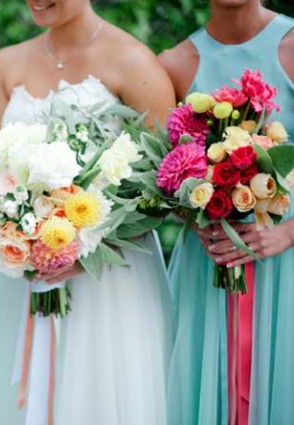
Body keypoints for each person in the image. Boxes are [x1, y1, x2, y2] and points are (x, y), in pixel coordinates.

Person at [0, 1, 175, 424]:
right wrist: (18, 228)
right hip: (27, 274)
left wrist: (86, 246)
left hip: (111, 280)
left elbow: (166, 186)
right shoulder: (6, 64)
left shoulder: (134, 61)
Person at [159, 1, 294, 424]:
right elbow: (164, 177)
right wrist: (191, 214)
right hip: (208, 268)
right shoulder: (173, 64)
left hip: (285, 264)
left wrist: (288, 234)